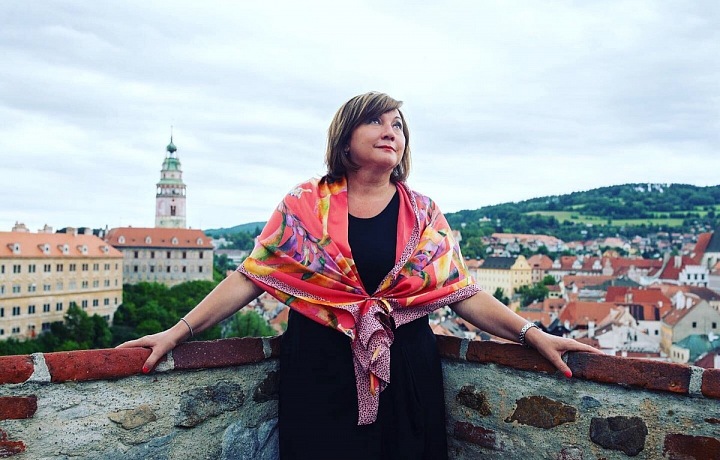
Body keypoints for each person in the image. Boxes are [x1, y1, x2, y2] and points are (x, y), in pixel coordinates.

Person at [119, 91, 601, 459]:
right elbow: (251, 277)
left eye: (398, 125)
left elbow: (461, 292)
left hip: (406, 373)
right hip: (319, 371)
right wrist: (177, 333)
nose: (391, 131)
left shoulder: (423, 213)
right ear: (345, 137)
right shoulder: (303, 205)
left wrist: (532, 334)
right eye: (375, 120)